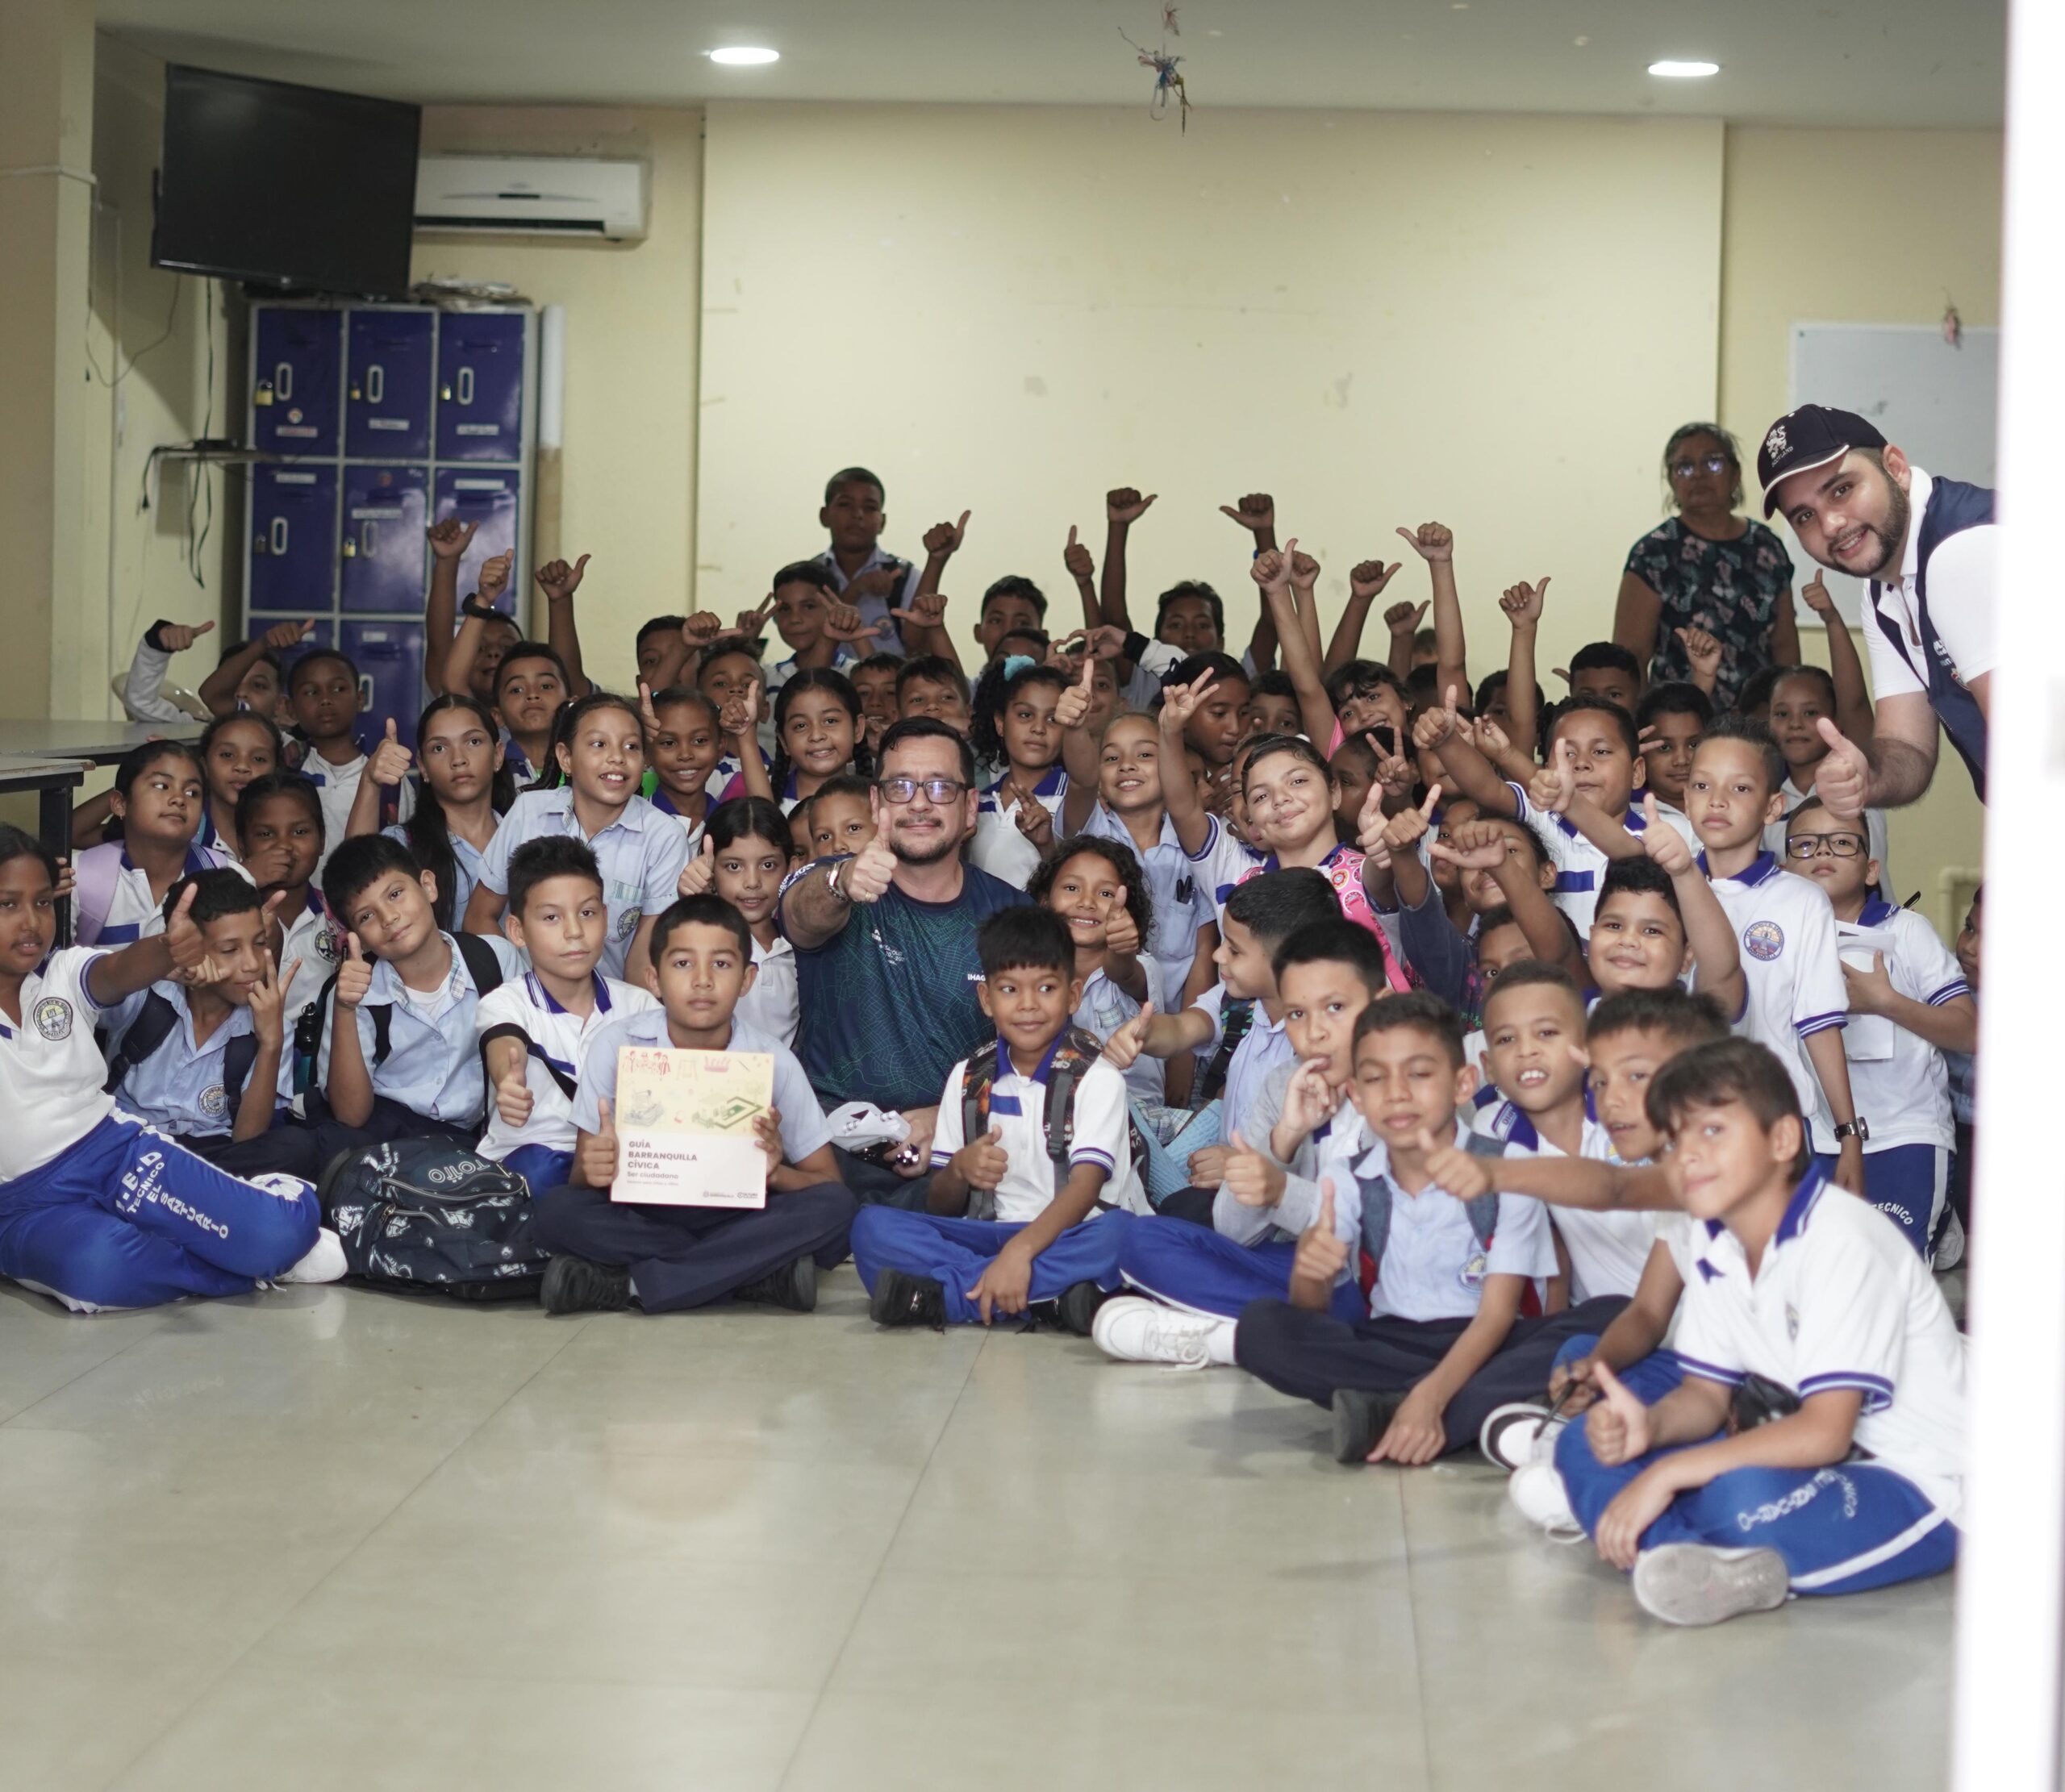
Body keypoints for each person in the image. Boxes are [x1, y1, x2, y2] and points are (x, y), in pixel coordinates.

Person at [1548, 1038, 1963, 1625]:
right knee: (1579, 1442)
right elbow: (1704, 1397)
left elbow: (1823, 1433)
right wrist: (1651, 1428)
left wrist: (1663, 1472)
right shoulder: (1715, 1238)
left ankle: (1662, 1537)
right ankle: (1683, 1559)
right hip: (1812, 1457)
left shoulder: (1842, 1240)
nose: (1687, 1156)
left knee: (1739, 1496)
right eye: (1673, 1141)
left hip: (1925, 1478)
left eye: (1712, 1131)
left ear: (1783, 1140)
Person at [1229, 992, 1608, 1467]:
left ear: (1463, 1083)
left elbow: (1497, 1315)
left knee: (1611, 1316)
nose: (1397, 1093)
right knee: (1261, 1329)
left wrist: (1430, 1397)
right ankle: (1478, 1411)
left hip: (1490, 1339)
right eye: (1375, 1078)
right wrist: (1310, 1271)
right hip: (1389, 1342)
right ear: (1357, 1097)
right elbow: (1311, 1309)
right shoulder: (1346, 1177)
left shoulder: (1508, 1167)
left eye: (1420, 1074)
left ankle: (1394, 1415)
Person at [0, 828, 334, 1311]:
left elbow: (120, 971)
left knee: (277, 1230)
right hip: (20, 1204)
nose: (31, 922)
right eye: (8, 905)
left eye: (43, 903)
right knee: (97, 1269)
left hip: (111, 1156)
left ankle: (262, 1231)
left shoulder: (65, 976)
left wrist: (170, 949)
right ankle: (246, 1264)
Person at [532, 894, 855, 1316]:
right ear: (654, 978)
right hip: (643, 1212)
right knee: (556, 1212)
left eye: (721, 964)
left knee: (839, 1211)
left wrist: (775, 1174)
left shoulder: (772, 1061)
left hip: (737, 1213)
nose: (702, 980)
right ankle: (752, 1275)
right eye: (683, 964)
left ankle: (629, 1284)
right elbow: (581, 1178)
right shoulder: (618, 1045)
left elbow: (828, 1184)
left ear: (746, 979)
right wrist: (595, 1168)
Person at [1091, 919, 1396, 1366]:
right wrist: (1284, 1139)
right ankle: (1271, 1335)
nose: (1314, 1032)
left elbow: (1388, 1229)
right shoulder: (1284, 1084)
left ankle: (1224, 1341)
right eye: (1297, 1014)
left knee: (1359, 1301)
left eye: (1335, 1007)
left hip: (1376, 1280)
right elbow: (1236, 1230)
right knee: (1139, 1238)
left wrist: (1281, 1190)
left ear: (1381, 1007)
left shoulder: (1408, 1088)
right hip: (1297, 1269)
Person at [778, 718, 1029, 1204]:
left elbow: (1039, 1055)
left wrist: (951, 1113)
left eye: (939, 787)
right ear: (876, 805)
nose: (918, 802)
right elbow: (802, 914)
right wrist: (843, 883)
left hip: (963, 1153)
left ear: (970, 808)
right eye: (900, 787)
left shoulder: (1014, 916)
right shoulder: (832, 879)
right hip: (832, 1153)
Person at [851, 907, 1138, 1331]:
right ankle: (1048, 1301)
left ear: (1073, 995)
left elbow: (1085, 1190)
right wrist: (960, 1171)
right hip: (989, 1237)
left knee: (1126, 1238)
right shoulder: (967, 1078)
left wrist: (1019, 1254)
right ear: (986, 999)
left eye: (1045, 988)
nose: (1028, 1005)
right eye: (1009, 989)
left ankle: (947, 1297)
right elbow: (942, 1205)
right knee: (872, 1228)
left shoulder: (1098, 1078)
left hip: (1074, 1234)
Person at [1758, 402, 1996, 804]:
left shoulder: (1960, 551)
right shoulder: (1883, 585)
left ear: (1896, 467)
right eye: (1803, 517)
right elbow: (1907, 746)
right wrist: (1864, 779)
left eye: (1841, 489)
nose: (1830, 525)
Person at [1783, 795, 1975, 1257]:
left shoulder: (1907, 931)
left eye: (1841, 843)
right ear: (1785, 867)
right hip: (1812, 1137)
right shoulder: (1777, 937)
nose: (1823, 852)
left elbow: (1970, 1031)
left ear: (1872, 870)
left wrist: (1886, 1001)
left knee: (1892, 1273)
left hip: (1906, 1132)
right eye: (1805, 845)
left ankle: (1936, 1214)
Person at [1098, 868, 1342, 1222]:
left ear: (1290, 961)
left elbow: (1314, 1167)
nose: (1217, 957)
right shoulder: (1239, 1001)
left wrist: (1243, 1166)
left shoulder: (1318, 1050)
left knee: (1166, 1203)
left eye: (1235, 950)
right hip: (1222, 1165)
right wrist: (1143, 1034)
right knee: (1116, 1103)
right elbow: (1183, 1029)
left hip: (1271, 1208)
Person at [101, 869, 321, 1182]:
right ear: (188, 948)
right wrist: (163, 960)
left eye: (260, 944)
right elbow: (92, 980)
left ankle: (175, 1193)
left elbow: (249, 1137)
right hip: (129, 1142)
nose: (252, 964)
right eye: (230, 950)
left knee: (297, 1147)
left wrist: (271, 1043)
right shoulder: (144, 992)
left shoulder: (270, 1022)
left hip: (212, 1156)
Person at [316, 835, 524, 1150]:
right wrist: (345, 1009)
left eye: (396, 894)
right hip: (387, 1137)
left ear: (428, 885)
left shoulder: (494, 959)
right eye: (366, 916)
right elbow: (350, 1115)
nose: (389, 918)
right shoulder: (354, 992)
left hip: (476, 1141)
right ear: (356, 936)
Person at [465, 692, 691, 982]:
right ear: (566, 758)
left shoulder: (664, 836)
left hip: (614, 1009)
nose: (617, 758)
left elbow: (644, 960)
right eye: (599, 744)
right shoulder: (529, 812)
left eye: (631, 746)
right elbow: (479, 916)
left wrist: (618, 1018)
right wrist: (522, 992)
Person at [475, 837, 660, 1192]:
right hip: (531, 1163)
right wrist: (509, 1084)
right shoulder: (506, 1003)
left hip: (620, 1160)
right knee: (539, 1173)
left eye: (587, 913)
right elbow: (504, 1044)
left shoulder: (640, 1007)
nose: (574, 931)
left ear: (605, 918)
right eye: (551, 917)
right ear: (517, 931)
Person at [1615, 422, 1800, 709]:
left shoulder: (1767, 547)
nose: (1698, 474)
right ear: (1672, 481)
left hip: (1758, 722)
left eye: (1712, 463)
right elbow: (1632, 656)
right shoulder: (1653, 553)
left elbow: (1785, 647)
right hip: (1679, 725)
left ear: (1735, 474)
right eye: (1685, 467)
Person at [349, 696, 512, 932]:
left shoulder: (527, 835)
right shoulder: (404, 844)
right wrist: (370, 781)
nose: (458, 760)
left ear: (498, 755)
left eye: (474, 741)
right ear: (422, 766)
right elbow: (355, 882)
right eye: (439, 748)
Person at [72, 740, 244, 947]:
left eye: (192, 793)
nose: (179, 799)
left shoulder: (231, 877)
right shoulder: (78, 877)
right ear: (120, 804)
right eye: (162, 786)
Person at [678, 798, 800, 1047]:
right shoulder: (704, 941)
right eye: (734, 866)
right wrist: (689, 905)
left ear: (790, 867)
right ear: (710, 871)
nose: (752, 882)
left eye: (768, 865)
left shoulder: (801, 946)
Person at [812, 467, 922, 655]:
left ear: (883, 522)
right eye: (845, 504)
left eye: (870, 507)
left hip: (889, 684)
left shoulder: (906, 577)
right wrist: (857, 588)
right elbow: (811, 640)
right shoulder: (809, 575)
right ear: (824, 515)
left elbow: (918, 646)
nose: (858, 514)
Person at [287, 648, 372, 869]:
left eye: (338, 688)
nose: (325, 699)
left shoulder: (385, 778)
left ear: (360, 698)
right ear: (291, 708)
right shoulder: (284, 770)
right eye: (311, 692)